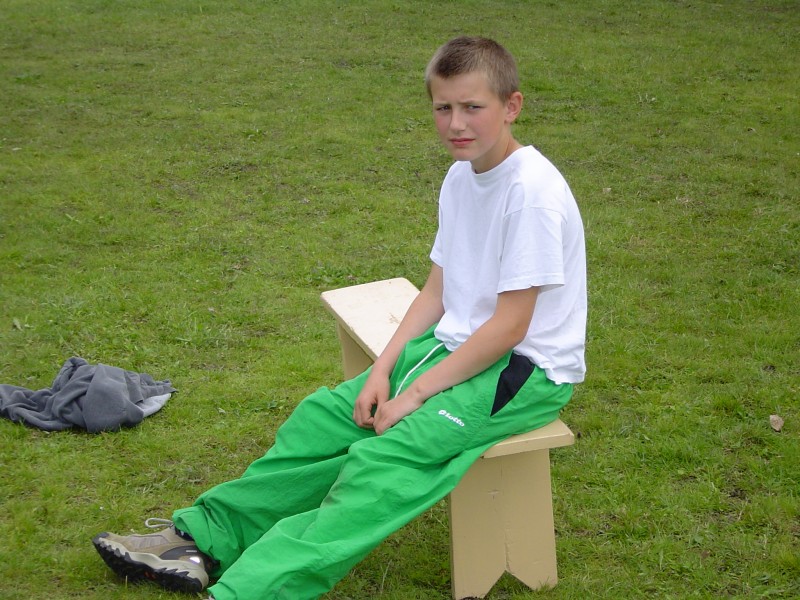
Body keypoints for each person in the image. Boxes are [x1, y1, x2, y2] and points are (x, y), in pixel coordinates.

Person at [92, 35, 587, 600]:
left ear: (511, 106)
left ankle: (249, 591)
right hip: (453, 349)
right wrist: (383, 370)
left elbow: (510, 327)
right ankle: (200, 541)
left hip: (522, 372)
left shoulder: (531, 193)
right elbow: (436, 291)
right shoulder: (461, 176)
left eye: (473, 107)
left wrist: (414, 395)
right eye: (443, 107)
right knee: (322, 420)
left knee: (381, 465)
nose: (456, 123)